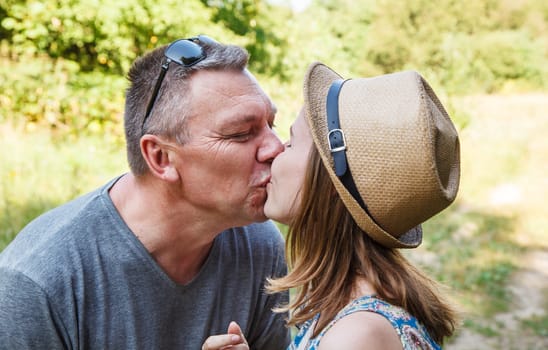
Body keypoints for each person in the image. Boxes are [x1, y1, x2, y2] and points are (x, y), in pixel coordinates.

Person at [0, 35, 291, 349]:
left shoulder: (258, 245)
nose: (276, 148)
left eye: (271, 125)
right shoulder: (38, 283)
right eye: (241, 133)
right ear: (161, 157)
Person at [203, 62, 460, 349]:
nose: (276, 150)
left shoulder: (355, 335)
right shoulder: (360, 307)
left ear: (327, 183)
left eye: (292, 142)